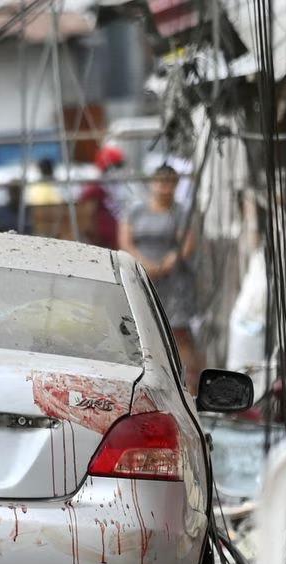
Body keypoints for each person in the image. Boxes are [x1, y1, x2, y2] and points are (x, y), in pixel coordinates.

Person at [119, 164, 199, 388]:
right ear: (152, 183)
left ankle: (188, 387)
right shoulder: (136, 211)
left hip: (173, 282)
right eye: (160, 182)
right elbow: (126, 242)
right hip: (142, 278)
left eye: (169, 183)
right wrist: (144, 264)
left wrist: (168, 263)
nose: (164, 188)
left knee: (178, 331)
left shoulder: (180, 212)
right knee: (141, 330)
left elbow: (187, 244)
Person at [81, 145, 126, 250]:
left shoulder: (120, 186)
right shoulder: (96, 187)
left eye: (119, 166)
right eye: (116, 166)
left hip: (118, 235)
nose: (118, 170)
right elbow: (87, 213)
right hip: (100, 240)